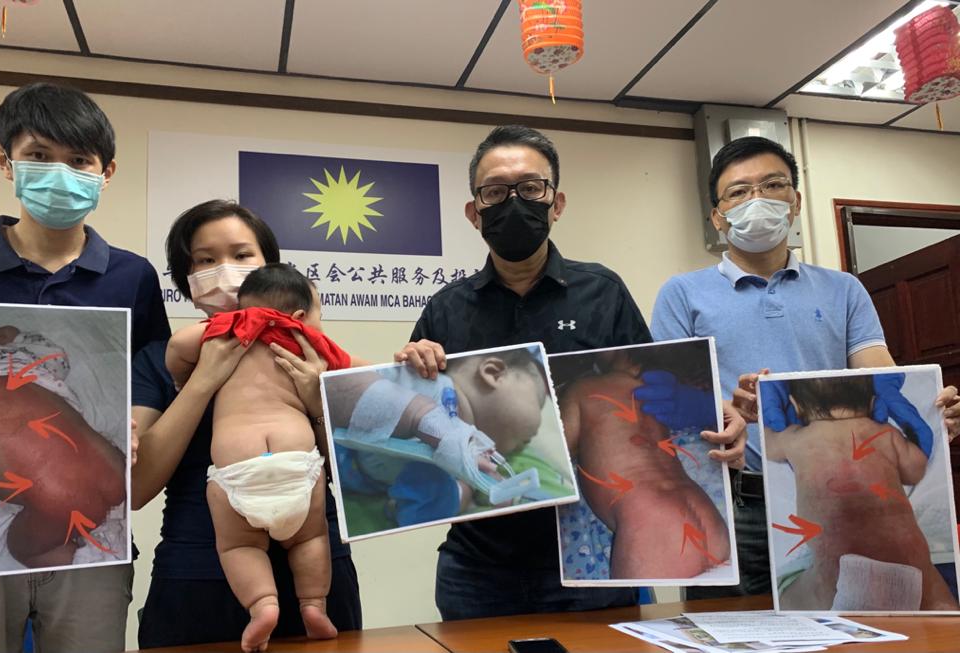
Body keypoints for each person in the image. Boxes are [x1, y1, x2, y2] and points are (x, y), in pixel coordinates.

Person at [394, 125, 746, 619]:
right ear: (475, 212)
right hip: (479, 561)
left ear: (556, 203)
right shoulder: (445, 309)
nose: (513, 202)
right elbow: (420, 424)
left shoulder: (602, 292)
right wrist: (412, 368)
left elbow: (655, 390)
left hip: (589, 565)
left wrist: (716, 415)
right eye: (495, 192)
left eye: (530, 188)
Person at [650, 135, 960, 600]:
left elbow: (880, 376)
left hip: (848, 505)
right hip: (731, 502)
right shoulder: (682, 294)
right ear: (718, 216)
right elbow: (668, 395)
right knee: (726, 628)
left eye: (772, 185)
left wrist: (931, 410)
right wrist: (724, 408)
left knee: (851, 623)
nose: (756, 200)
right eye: (738, 192)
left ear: (795, 201)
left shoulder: (844, 289)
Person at [0, 82, 170, 653]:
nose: (60, 174)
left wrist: (136, 423)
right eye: (39, 155)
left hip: (95, 544)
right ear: (5, 160)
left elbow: (151, 371)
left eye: (79, 160)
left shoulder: (132, 276)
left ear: (105, 172)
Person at [132, 199, 362, 649]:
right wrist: (202, 381)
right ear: (185, 276)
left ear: (270, 266)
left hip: (318, 566)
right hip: (194, 577)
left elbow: (362, 473)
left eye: (241, 255)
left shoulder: (307, 352)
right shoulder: (160, 360)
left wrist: (317, 401)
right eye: (205, 260)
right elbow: (136, 489)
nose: (224, 269)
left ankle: (307, 603)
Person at [166, 263, 343, 650]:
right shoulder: (308, 342)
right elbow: (357, 375)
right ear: (300, 315)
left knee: (239, 547)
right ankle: (314, 604)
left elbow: (178, 345)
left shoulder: (228, 331)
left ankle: (262, 605)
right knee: (311, 537)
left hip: (237, 470)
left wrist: (182, 377)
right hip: (297, 464)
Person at [0, 304, 127, 577]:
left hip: (56, 505)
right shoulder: (6, 356)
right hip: (114, 466)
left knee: (22, 547)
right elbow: (56, 358)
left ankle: (86, 563)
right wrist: (17, 337)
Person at [765, 375, 957, 611]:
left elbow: (769, 446)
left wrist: (763, 408)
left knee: (798, 598)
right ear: (874, 402)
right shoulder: (886, 433)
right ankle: (942, 609)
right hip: (909, 560)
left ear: (795, 405)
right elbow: (914, 472)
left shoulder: (794, 437)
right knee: (934, 593)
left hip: (837, 567)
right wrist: (913, 435)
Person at [325, 345, 558, 533]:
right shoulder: (426, 381)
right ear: (494, 373)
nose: (529, 441)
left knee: (443, 492)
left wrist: (469, 488)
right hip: (326, 434)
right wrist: (424, 419)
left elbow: (415, 515)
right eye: (539, 400)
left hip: (351, 482)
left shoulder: (467, 462)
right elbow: (337, 385)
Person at [559, 349, 730, 580]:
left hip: (651, 518)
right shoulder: (665, 393)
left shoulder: (584, 388)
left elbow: (556, 454)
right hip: (704, 511)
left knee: (635, 604)